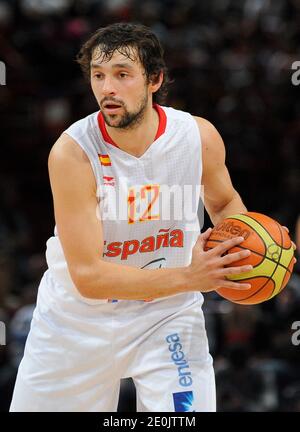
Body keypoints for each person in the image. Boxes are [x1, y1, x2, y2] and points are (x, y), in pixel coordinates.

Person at [10, 22, 254, 412]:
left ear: (154, 79)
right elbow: (89, 277)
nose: (107, 88)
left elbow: (224, 204)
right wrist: (191, 277)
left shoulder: (198, 137)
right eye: (98, 75)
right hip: (77, 322)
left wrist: (251, 250)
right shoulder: (72, 154)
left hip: (167, 315)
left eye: (122, 75)